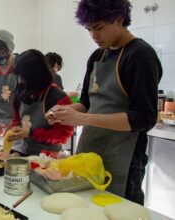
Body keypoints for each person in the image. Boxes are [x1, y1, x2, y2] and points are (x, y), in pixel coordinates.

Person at [46, 0, 162, 205]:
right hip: (91, 151)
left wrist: (83, 118)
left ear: (118, 18)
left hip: (124, 158)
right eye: (89, 29)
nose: (94, 36)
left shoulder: (140, 55)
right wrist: (63, 110)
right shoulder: (98, 56)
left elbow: (144, 118)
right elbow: (86, 103)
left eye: (99, 28)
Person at [7, 49, 74, 155]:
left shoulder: (57, 97)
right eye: (19, 76)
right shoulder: (21, 91)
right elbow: (17, 120)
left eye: (24, 77)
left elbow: (63, 135)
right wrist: (15, 128)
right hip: (25, 152)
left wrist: (31, 133)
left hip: (50, 158)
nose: (20, 81)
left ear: (36, 75)